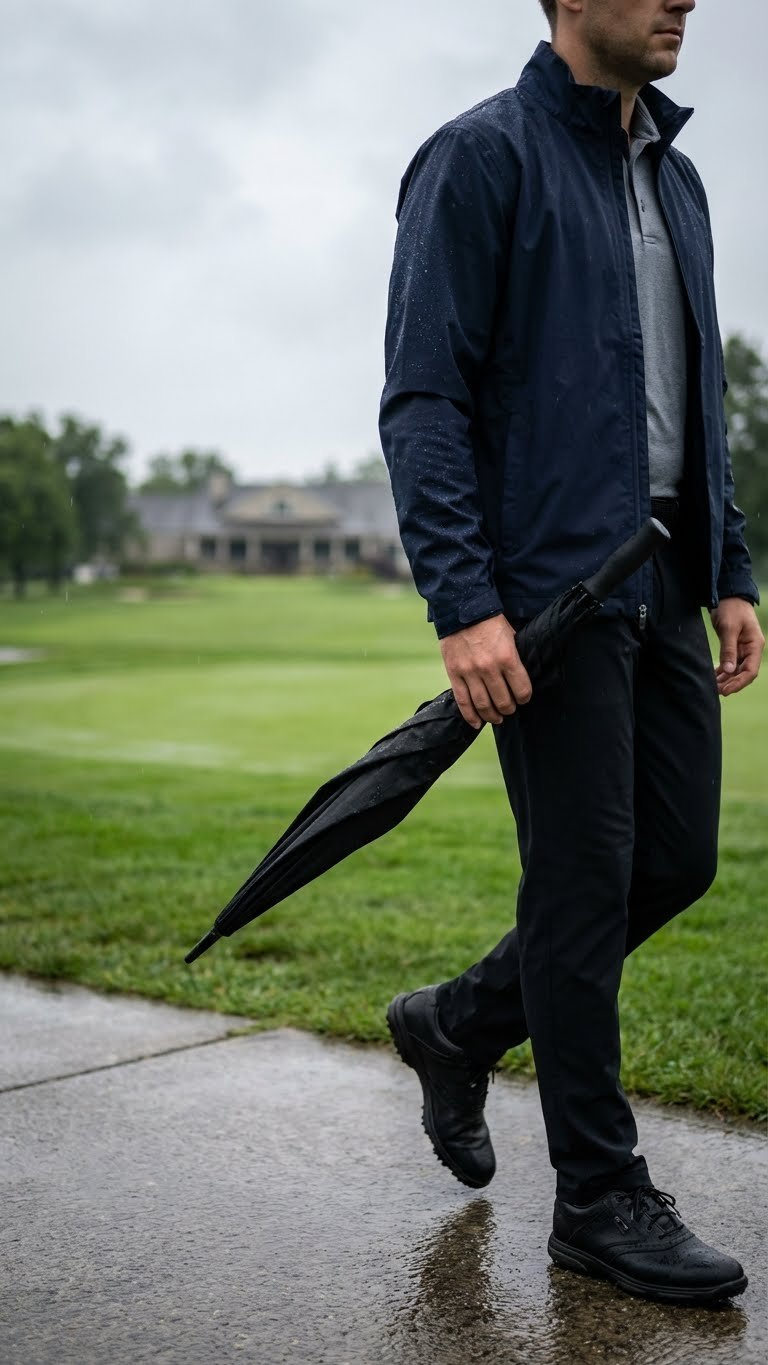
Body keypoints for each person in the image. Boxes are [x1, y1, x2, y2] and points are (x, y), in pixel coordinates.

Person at [378, 0, 764, 1305]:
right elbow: (424, 394)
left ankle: (461, 1020)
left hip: (662, 581)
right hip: (548, 594)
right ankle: (598, 1196)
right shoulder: (478, 159)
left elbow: (696, 396)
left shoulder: (683, 178)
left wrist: (731, 569)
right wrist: (462, 600)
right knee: (585, 882)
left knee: (677, 857)